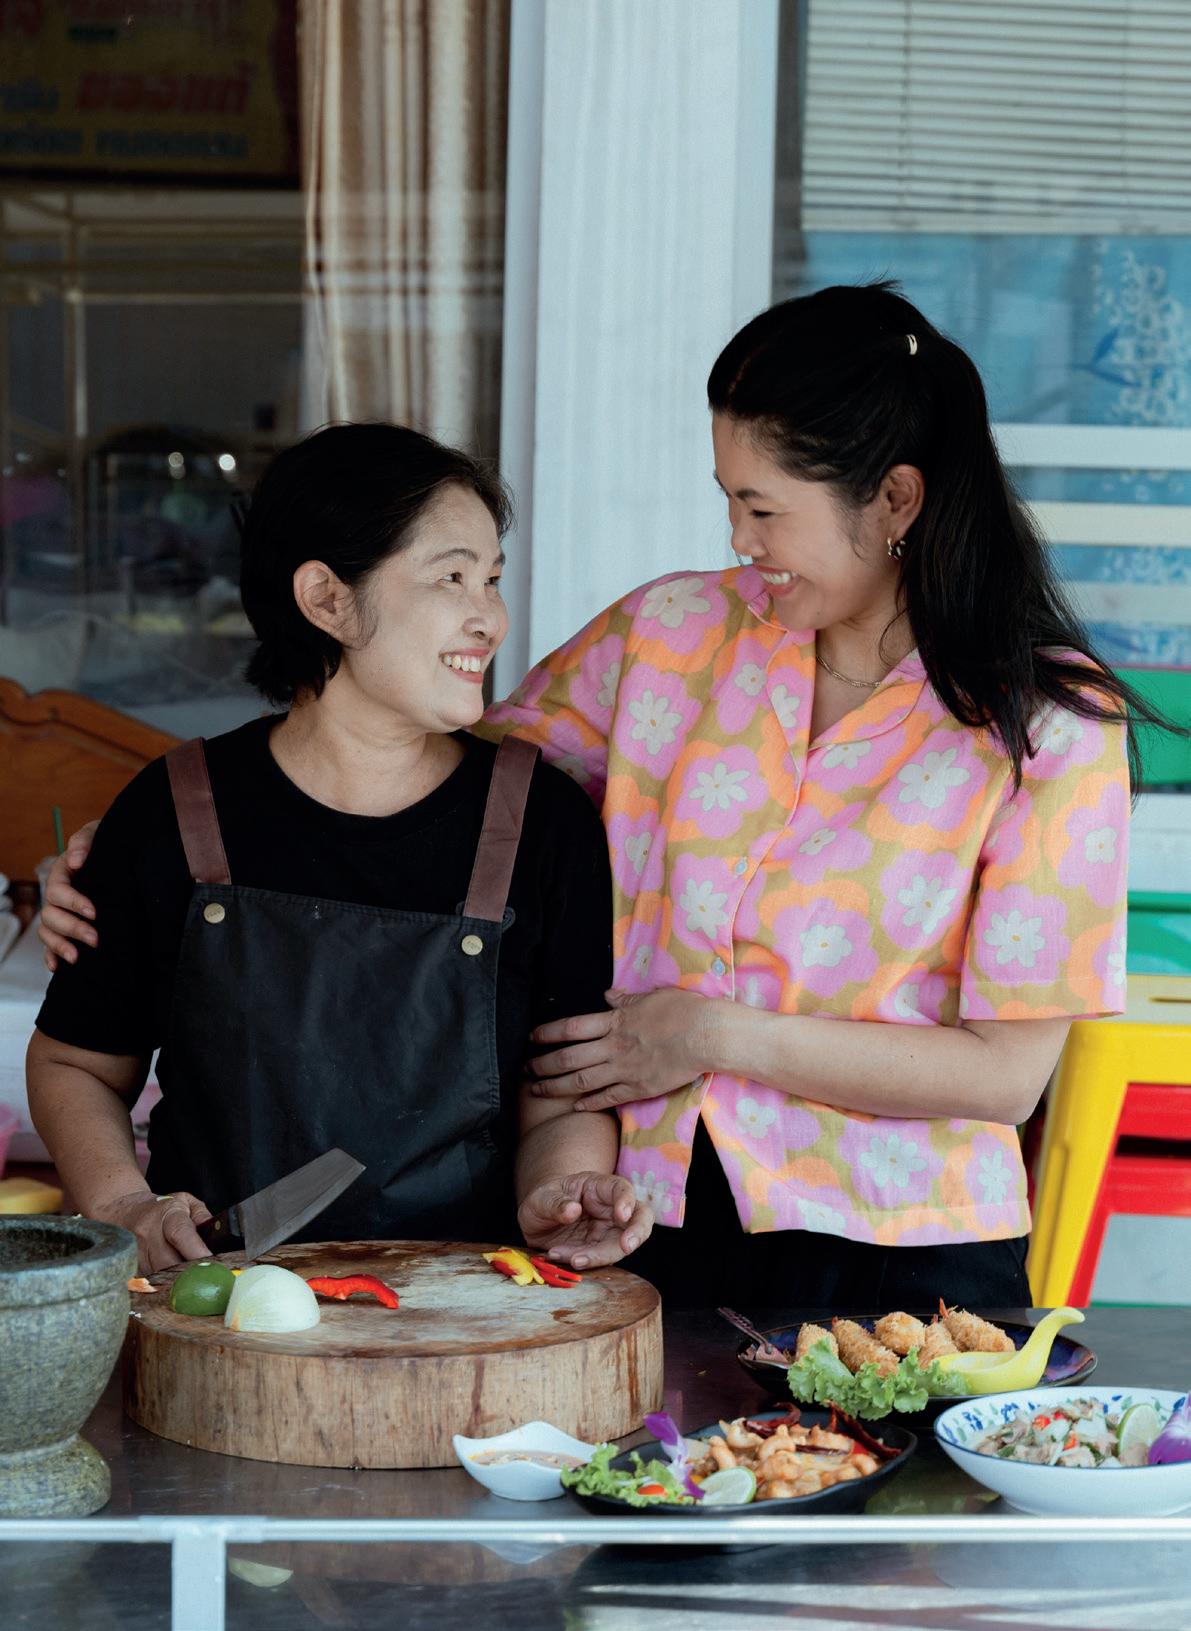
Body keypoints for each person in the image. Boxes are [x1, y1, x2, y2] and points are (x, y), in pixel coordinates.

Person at [42, 284, 1157, 1310]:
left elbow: (1006, 1075)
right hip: (648, 1226)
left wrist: (713, 1035)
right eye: (727, 501)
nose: (738, 541)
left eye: (763, 509)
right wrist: (144, 845)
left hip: (909, 1249)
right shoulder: (670, 634)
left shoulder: (1046, 726)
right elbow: (422, 773)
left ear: (896, 498)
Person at [28, 424, 652, 1275]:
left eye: (492, 579)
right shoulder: (173, 810)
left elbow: (562, 1095)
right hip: (217, 1308)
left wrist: (562, 1188)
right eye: (452, 576)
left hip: (467, 1312)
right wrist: (123, 1205)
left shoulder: (542, 821)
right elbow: (74, 1062)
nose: (490, 618)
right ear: (326, 599)